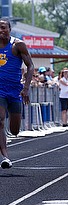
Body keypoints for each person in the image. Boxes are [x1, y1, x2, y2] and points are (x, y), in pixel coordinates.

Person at [0, 18, 34, 168]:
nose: (1, 31)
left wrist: (25, 88)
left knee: (14, 130)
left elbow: (31, 66)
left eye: (3, 28)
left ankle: (6, 139)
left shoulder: (18, 45)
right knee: (0, 120)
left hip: (14, 91)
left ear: (9, 29)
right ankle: (5, 157)